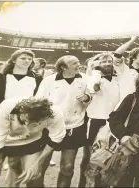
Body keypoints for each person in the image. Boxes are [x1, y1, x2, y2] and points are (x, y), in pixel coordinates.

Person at [36, 55, 92, 187]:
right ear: (63, 67)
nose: (79, 64)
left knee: (67, 167)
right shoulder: (49, 81)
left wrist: (87, 97)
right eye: (74, 63)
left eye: (78, 62)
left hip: (74, 127)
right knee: (42, 164)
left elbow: (91, 95)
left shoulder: (86, 79)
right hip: (49, 128)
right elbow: (38, 101)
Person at [0, 97, 66, 187]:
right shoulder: (7, 107)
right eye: (23, 121)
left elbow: (55, 139)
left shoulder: (55, 114)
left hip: (33, 140)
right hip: (6, 139)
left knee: (34, 178)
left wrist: (38, 163)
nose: (26, 125)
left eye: (32, 124)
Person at [78, 53, 121, 187]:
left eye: (110, 61)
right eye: (103, 61)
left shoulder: (118, 78)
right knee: (90, 156)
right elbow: (94, 88)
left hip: (114, 122)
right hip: (96, 120)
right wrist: (96, 71)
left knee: (110, 156)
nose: (108, 63)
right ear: (97, 64)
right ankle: (83, 183)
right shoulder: (93, 78)